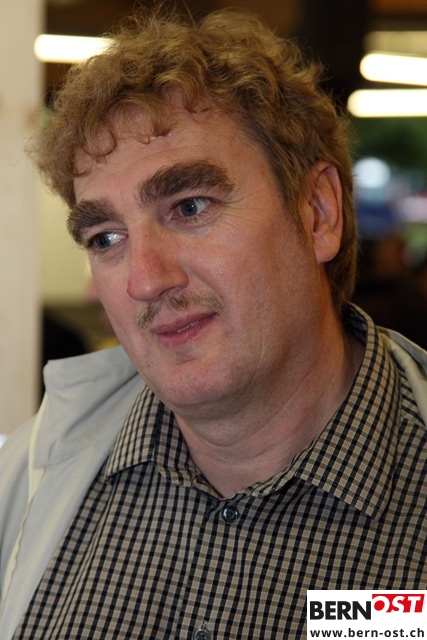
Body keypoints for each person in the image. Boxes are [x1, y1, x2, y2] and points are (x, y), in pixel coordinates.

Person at [1, 7, 426, 639]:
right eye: (105, 237)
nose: (145, 280)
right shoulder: (30, 480)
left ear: (317, 213)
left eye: (190, 206)